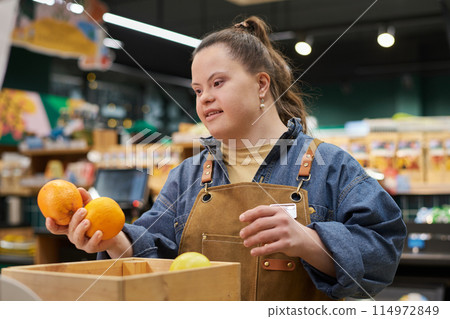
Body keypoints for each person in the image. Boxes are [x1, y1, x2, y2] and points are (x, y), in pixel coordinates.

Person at [46, 16, 406, 301]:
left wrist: (309, 242)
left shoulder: (331, 166)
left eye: (218, 83)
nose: (204, 99)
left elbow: (383, 251)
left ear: (261, 84)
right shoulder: (188, 175)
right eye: (198, 90)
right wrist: (109, 240)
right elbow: (151, 253)